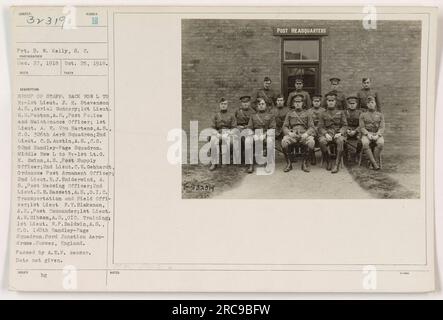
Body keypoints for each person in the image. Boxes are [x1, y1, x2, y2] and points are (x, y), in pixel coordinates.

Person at [281, 94, 315, 173]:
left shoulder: (307, 113)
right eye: (296, 102)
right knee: (284, 143)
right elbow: (284, 127)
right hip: (293, 134)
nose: (297, 103)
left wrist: (306, 134)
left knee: (311, 143)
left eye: (299, 102)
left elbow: (312, 127)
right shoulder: (289, 113)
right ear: (293, 103)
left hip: (304, 134)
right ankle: (289, 164)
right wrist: (289, 133)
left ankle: (304, 163)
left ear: (303, 103)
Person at [318, 92, 348, 173]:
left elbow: (345, 125)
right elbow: (320, 127)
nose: (331, 102)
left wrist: (340, 133)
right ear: (326, 102)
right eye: (329, 100)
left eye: (332, 100)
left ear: (335, 102)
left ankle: (336, 165)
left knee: (340, 141)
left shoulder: (341, 113)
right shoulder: (322, 113)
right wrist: (325, 134)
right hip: (327, 133)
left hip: (337, 133)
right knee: (321, 141)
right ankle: (328, 161)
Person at [246, 98, 276, 173]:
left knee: (269, 141)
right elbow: (249, 128)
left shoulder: (271, 115)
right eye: (259, 104)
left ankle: (269, 163)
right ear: (257, 106)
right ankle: (250, 164)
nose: (261, 106)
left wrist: (265, 135)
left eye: (263, 104)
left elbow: (272, 128)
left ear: (266, 105)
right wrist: (253, 135)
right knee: (247, 141)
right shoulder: (253, 116)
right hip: (255, 135)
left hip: (266, 135)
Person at [209, 98, 237, 171]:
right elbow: (212, 128)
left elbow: (234, 128)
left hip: (228, 133)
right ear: (219, 105)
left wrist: (228, 133)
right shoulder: (216, 115)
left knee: (227, 141)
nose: (223, 105)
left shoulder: (231, 115)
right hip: (218, 133)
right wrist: (217, 134)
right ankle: (214, 163)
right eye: (222, 104)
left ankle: (224, 162)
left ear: (227, 105)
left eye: (225, 104)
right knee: (213, 140)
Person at [359, 96, 385, 170]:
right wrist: (368, 134)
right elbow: (362, 127)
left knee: (381, 143)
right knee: (365, 143)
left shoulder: (380, 115)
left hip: (377, 134)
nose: (370, 104)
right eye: (368, 103)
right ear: (366, 105)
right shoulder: (362, 115)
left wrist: (378, 135)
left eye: (372, 102)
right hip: (367, 134)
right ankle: (374, 163)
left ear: (375, 104)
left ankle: (371, 162)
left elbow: (382, 127)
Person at [307, 94, 325, 165]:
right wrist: (314, 129)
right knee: (310, 138)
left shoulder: (324, 110)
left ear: (320, 102)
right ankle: (312, 156)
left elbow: (325, 122)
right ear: (312, 102)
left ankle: (325, 155)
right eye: (315, 101)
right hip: (312, 129)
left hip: (321, 129)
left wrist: (319, 128)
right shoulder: (308, 111)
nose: (316, 102)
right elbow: (308, 122)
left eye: (318, 101)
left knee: (324, 138)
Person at [344, 95, 362, 162]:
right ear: (348, 104)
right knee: (342, 139)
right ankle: (347, 154)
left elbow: (361, 124)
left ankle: (357, 153)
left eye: (353, 103)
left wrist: (355, 131)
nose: (352, 105)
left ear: (356, 104)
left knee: (361, 140)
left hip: (357, 130)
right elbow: (343, 123)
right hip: (347, 130)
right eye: (350, 104)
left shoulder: (360, 112)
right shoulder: (345, 112)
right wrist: (347, 130)